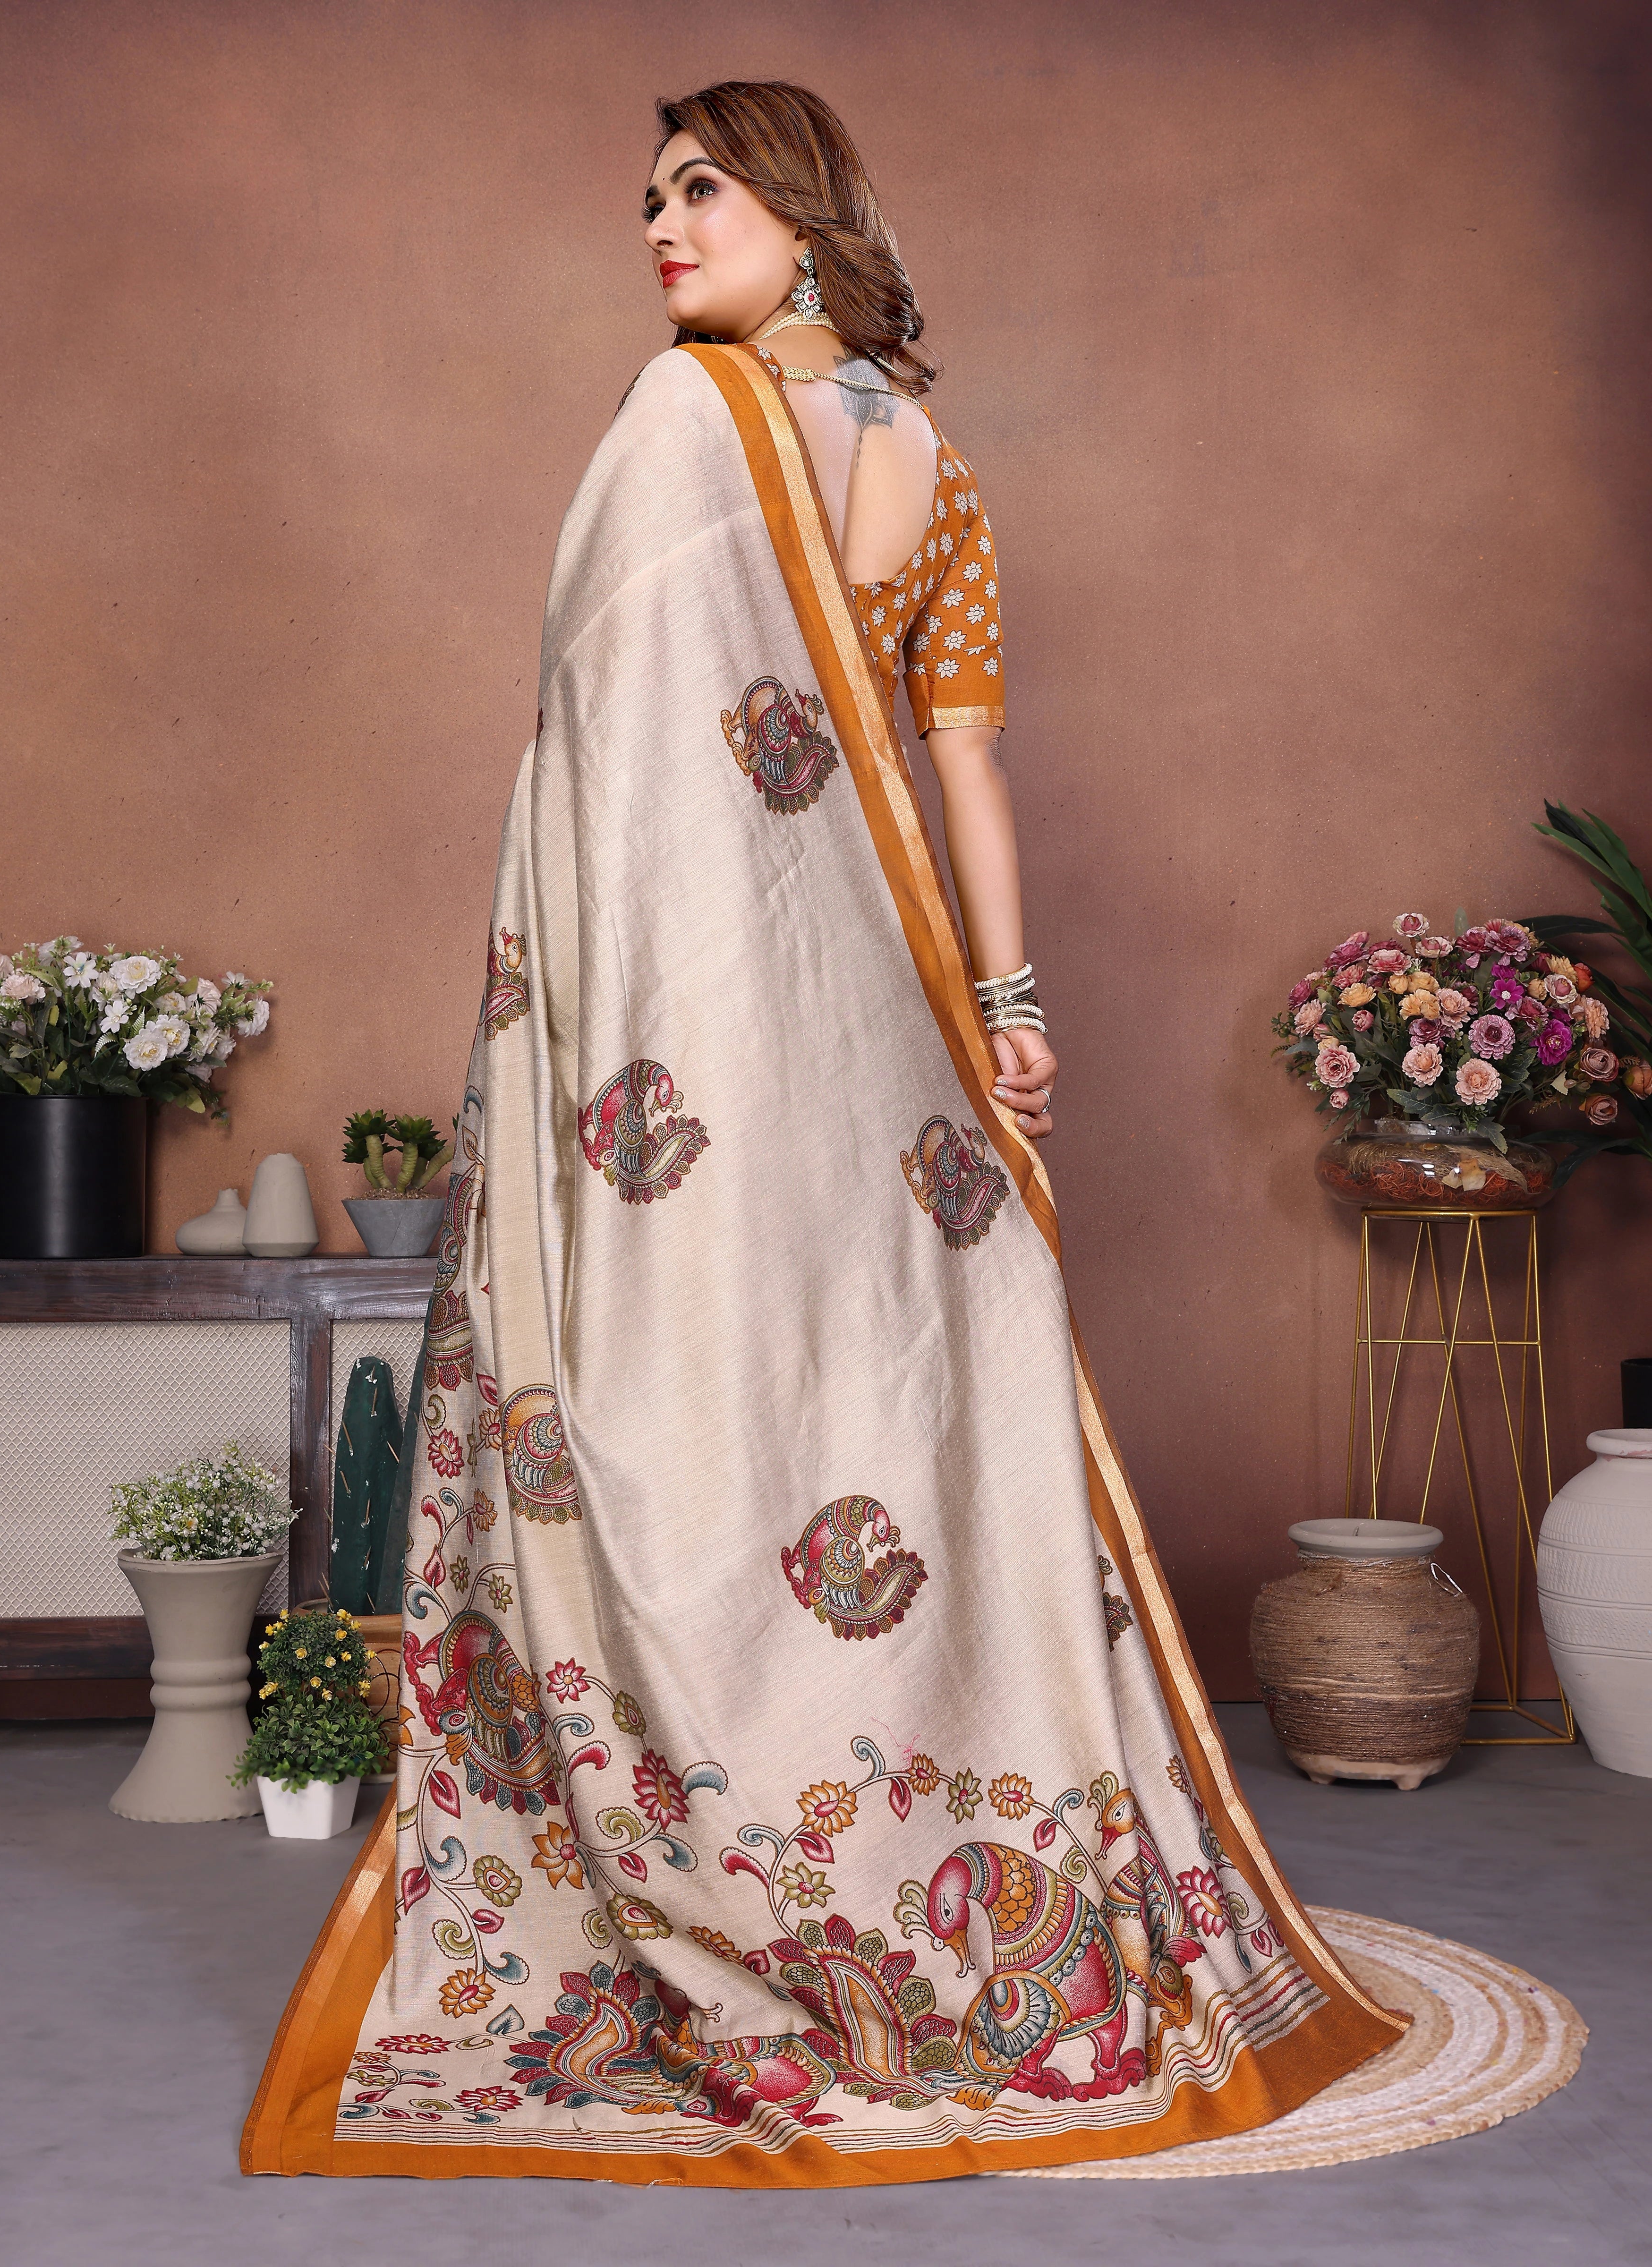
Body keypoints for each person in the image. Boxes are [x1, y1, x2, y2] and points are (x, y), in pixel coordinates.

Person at [244, 79, 1401, 2187]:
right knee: (871, 1401)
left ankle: (752, 1869)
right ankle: (912, 1875)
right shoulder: (914, 454)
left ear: (798, 207)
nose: (662, 230)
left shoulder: (688, 423)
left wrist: (1005, 1011)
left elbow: (642, 752)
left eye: (700, 190)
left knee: (735, 1397)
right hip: (873, 1009)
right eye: (651, 198)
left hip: (741, 1005)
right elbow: (952, 773)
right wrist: (1013, 1009)